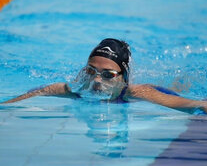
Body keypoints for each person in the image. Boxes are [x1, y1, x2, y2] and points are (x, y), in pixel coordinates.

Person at [1, 38, 207, 114]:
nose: (97, 80)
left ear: (123, 78)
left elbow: (179, 102)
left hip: (165, 89)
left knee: (179, 85)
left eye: (108, 75)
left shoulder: (133, 91)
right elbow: (28, 97)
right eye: (91, 71)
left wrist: (200, 104)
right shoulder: (73, 89)